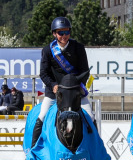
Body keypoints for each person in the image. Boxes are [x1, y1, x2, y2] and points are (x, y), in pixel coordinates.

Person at [32, 16, 92, 146]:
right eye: (60, 33)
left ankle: (96, 151)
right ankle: (33, 152)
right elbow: (43, 73)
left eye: (67, 32)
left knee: (91, 118)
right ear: (54, 34)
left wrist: (77, 85)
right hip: (55, 92)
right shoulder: (48, 50)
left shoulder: (78, 47)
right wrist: (53, 85)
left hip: (74, 91)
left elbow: (84, 70)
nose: (64, 36)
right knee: (41, 117)